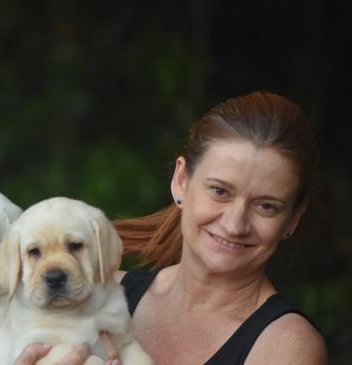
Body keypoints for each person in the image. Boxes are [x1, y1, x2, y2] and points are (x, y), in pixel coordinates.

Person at [113, 91, 328, 364]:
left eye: (266, 206)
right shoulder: (100, 295)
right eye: (219, 191)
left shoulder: (287, 345)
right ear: (181, 180)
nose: (235, 225)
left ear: (294, 217)